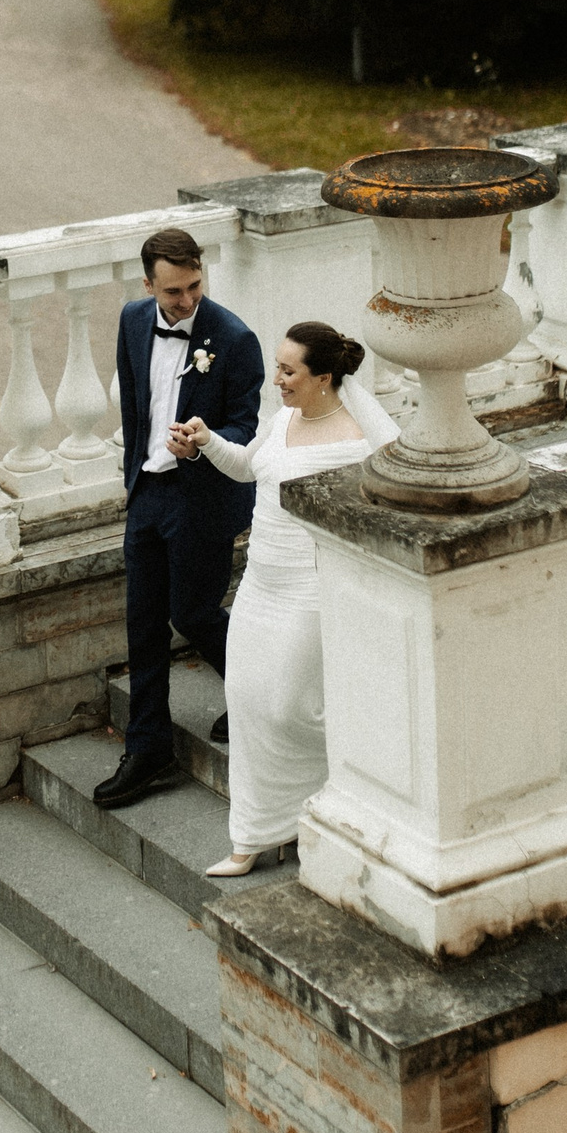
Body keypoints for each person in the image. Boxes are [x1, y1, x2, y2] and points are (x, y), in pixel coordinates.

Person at [175, 320, 393, 876]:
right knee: (246, 697)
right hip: (260, 583)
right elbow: (248, 467)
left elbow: (384, 504)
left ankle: (347, 788)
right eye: (278, 367)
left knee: (290, 706)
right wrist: (206, 442)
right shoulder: (284, 419)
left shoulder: (358, 439)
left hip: (310, 589)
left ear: (323, 378)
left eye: (288, 371)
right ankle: (251, 837)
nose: (277, 379)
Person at [94, 227, 264, 809]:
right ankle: (148, 747)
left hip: (202, 496)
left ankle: (258, 697)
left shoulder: (235, 338)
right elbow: (134, 404)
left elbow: (245, 425)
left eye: (194, 286)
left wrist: (202, 441)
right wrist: (135, 479)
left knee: (192, 612)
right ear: (148, 285)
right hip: (148, 492)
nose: (187, 300)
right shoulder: (132, 320)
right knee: (142, 623)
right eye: (173, 291)